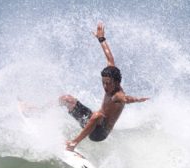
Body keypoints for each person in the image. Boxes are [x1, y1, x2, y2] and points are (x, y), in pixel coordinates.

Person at [62, 22, 149, 151]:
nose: (105, 86)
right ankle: (36, 110)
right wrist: (101, 38)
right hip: (92, 121)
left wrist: (137, 99)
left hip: (100, 133)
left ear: (117, 82)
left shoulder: (118, 95)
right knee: (66, 98)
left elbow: (126, 99)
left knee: (97, 115)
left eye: (108, 83)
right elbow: (110, 58)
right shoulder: (110, 76)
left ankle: (73, 144)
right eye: (103, 82)